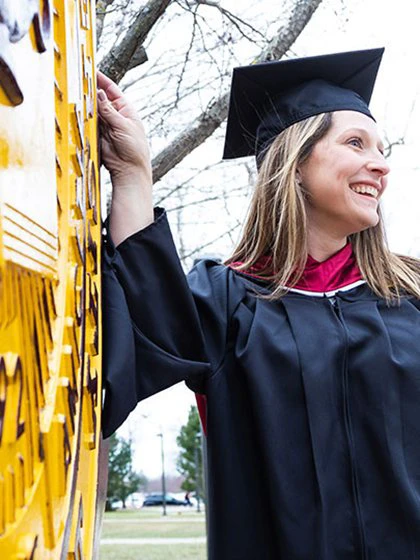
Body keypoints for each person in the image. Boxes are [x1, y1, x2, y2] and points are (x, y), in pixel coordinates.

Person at [98, 49, 420, 559]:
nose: (380, 165)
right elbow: (144, 331)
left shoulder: (411, 299)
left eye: (381, 148)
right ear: (293, 165)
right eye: (356, 143)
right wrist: (133, 175)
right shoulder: (227, 303)